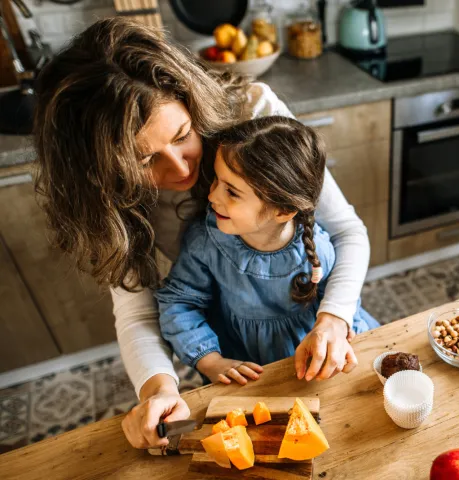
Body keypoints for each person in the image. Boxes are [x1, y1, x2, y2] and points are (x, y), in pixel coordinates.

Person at [33, 17, 372, 450]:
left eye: (183, 135)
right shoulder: (112, 197)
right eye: (143, 161)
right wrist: (159, 389)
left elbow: (345, 230)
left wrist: (334, 318)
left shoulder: (254, 114)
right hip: (237, 349)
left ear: (191, 103)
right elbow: (141, 311)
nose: (181, 170)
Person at [155, 116, 379, 386]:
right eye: (217, 180)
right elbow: (178, 304)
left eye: (232, 192)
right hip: (247, 372)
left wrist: (336, 346)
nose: (212, 196)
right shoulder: (205, 242)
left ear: (283, 211)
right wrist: (210, 361)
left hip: (312, 369)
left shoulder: (317, 249)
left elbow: (344, 304)